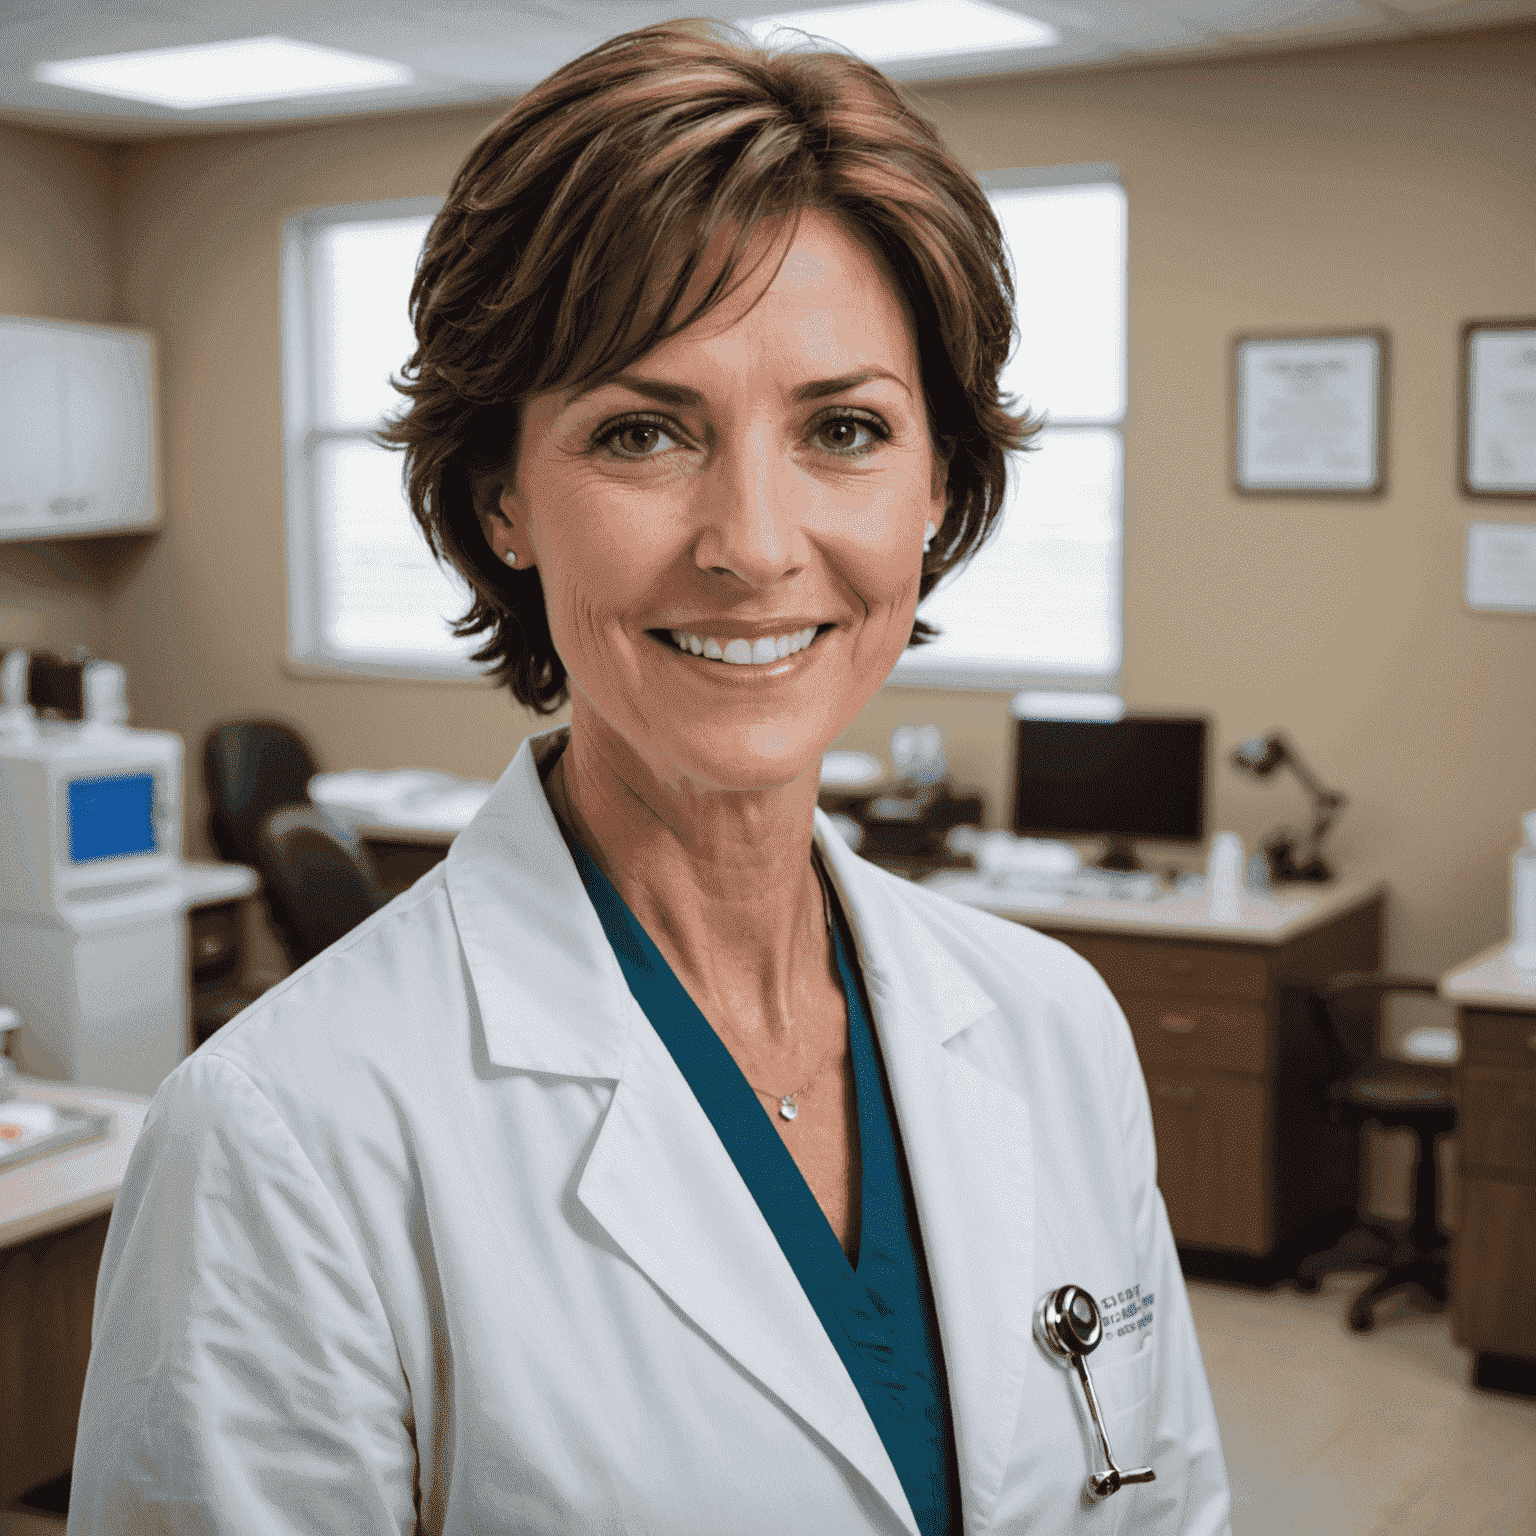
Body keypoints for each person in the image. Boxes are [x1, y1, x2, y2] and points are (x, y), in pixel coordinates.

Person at [69, 20, 1232, 1535]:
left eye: (845, 428)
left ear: (937, 485)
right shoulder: (286, 1136)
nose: (752, 543)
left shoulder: (1054, 1028)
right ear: (501, 498)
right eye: (643, 430)